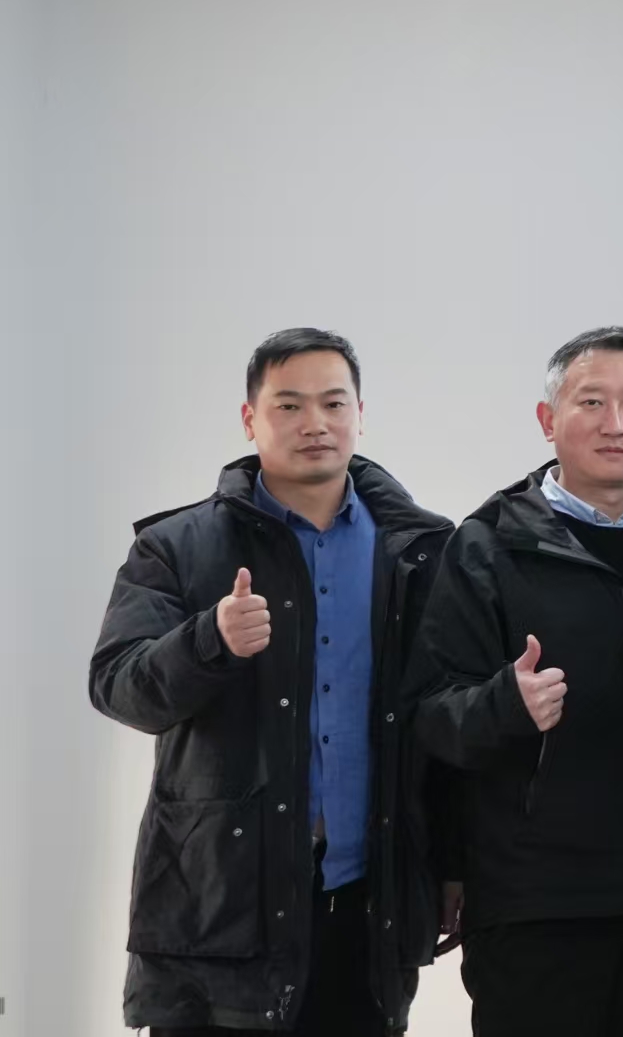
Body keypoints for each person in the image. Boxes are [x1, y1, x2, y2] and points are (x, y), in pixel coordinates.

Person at [88, 329, 456, 1035]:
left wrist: (453, 864)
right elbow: (117, 686)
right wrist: (210, 640)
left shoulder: (419, 552)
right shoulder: (175, 547)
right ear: (249, 418)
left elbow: (440, 723)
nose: (314, 423)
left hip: (364, 909)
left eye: (333, 403)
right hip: (219, 914)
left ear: (360, 415)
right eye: (289, 405)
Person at [406, 327, 623, 1036]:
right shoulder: (486, 545)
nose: (615, 423)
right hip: (537, 906)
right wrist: (502, 705)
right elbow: (430, 714)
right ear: (548, 420)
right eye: (591, 402)